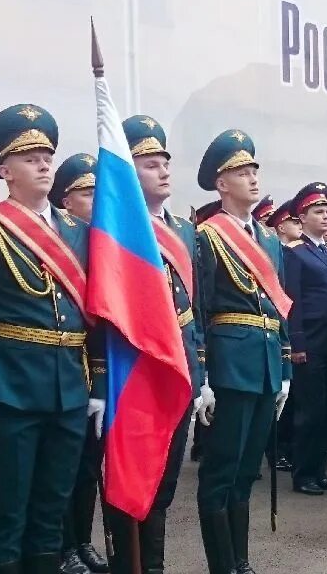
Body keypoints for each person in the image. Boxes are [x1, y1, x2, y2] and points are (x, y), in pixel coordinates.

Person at [0, 104, 101, 573]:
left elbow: (94, 313)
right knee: (6, 521)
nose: (43, 164)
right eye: (30, 157)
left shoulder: (78, 232)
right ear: (4, 170)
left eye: (47, 156)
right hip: (11, 394)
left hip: (69, 393)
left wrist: (97, 385)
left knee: (50, 520)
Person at [95, 116, 213, 574]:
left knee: (163, 485)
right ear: (127, 172)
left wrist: (201, 376)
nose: (163, 170)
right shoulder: (112, 230)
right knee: (130, 483)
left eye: (165, 161)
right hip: (135, 372)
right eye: (149, 163)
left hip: (176, 370)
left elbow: (194, 310)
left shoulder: (184, 229)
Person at [192, 129, 292, 574]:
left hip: (266, 364)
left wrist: (285, 366)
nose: (252, 178)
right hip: (230, 365)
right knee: (221, 470)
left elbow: (279, 307)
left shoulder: (269, 239)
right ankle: (221, 565)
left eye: (254, 170)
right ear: (221, 184)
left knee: (248, 469)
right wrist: (204, 376)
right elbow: (200, 308)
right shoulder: (207, 237)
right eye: (241, 171)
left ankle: (241, 562)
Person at [47, 152, 110, 574]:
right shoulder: (62, 241)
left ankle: (82, 540)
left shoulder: (97, 243)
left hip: (91, 370)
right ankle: (62, 546)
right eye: (88, 193)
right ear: (66, 201)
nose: (96, 199)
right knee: (60, 473)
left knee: (89, 465)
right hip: (60, 369)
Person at [284, 182, 327, 497]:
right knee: (309, 411)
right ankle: (304, 472)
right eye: (317, 212)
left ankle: (319, 470)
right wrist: (296, 342)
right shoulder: (296, 252)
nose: (325, 217)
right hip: (309, 341)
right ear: (302, 217)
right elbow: (292, 298)